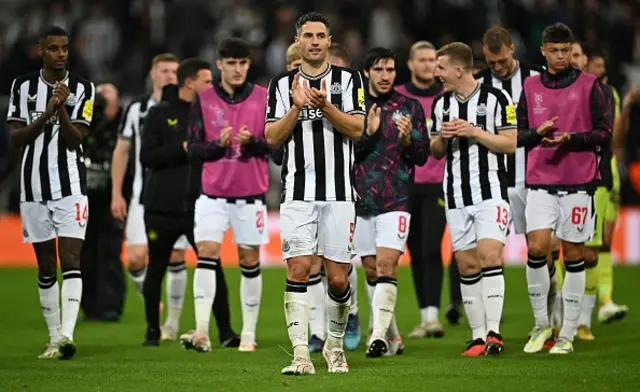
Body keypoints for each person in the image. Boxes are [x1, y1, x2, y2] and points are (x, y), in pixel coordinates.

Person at [265, 12, 365, 375]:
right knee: (298, 268)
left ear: (329, 39)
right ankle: (300, 355)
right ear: (297, 40)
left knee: (338, 278)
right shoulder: (280, 85)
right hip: (298, 192)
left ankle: (335, 348)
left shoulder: (349, 80)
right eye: (308, 35)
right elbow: (272, 138)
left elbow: (357, 129)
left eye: (321, 35)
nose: (315, 41)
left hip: (340, 194)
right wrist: (296, 106)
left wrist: (326, 107)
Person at [517, 23, 613, 355]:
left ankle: (568, 333)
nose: (561, 56)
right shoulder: (530, 86)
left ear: (572, 51)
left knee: (573, 255)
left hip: (578, 182)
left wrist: (575, 139)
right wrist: (535, 134)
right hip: (541, 180)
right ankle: (542, 324)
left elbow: (605, 132)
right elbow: (518, 134)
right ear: (543, 51)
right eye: (554, 51)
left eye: (566, 51)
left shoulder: (590, 86)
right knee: (537, 247)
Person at [6, 26, 95, 359]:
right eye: (54, 48)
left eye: (65, 48)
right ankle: (53, 336)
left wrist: (62, 107)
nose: (61, 54)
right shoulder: (23, 86)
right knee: (46, 265)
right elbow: (16, 139)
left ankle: (67, 337)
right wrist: (47, 110)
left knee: (71, 259)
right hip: (33, 187)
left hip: (71, 186)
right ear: (41, 50)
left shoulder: (84, 89)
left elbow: (76, 140)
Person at [179, 38, 268, 353]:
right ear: (219, 65)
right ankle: (202, 330)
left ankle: (248, 334)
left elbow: (276, 146)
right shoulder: (203, 100)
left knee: (249, 260)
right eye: (231, 63)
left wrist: (253, 142)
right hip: (213, 195)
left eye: (243, 62)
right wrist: (217, 146)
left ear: (249, 64)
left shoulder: (263, 97)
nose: (238, 69)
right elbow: (193, 149)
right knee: (207, 252)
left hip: (250, 195)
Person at [430, 42, 516, 356]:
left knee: (490, 256)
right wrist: (443, 137)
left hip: (490, 192)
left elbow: (510, 143)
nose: (435, 73)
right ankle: (478, 337)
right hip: (455, 195)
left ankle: (494, 333)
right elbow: (434, 151)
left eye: (440, 68)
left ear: (458, 69)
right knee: (466, 265)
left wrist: (474, 131)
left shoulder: (498, 98)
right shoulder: (439, 105)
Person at [475, 26, 560, 341]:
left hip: (533, 178)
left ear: (512, 49)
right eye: (491, 62)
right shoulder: (477, 84)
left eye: (501, 61)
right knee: (484, 256)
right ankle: (485, 330)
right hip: (492, 182)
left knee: (542, 251)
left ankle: (551, 318)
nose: (497, 68)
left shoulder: (537, 78)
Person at [353, 47, 429, 358]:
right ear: (368, 72)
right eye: (380, 70)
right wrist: (369, 134)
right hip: (358, 200)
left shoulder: (409, 107)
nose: (386, 76)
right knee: (371, 270)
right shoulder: (354, 107)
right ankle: (394, 338)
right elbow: (349, 153)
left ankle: (378, 335)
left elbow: (422, 157)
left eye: (390, 70)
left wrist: (410, 140)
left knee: (386, 266)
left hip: (396, 198)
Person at [110, 53, 191, 340]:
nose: (170, 75)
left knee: (177, 256)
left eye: (174, 70)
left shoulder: (187, 108)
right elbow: (122, 151)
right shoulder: (137, 109)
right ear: (152, 73)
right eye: (165, 70)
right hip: (141, 197)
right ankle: (152, 300)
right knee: (135, 260)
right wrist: (116, 193)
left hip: (177, 197)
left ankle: (172, 321)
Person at [139, 58, 213, 345]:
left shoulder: (207, 113)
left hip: (197, 206)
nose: (212, 87)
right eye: (207, 81)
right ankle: (152, 330)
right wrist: (181, 149)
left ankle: (227, 331)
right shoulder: (159, 114)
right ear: (190, 82)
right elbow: (147, 157)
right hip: (161, 206)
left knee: (211, 264)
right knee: (156, 267)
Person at [398, 41, 462, 339]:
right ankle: (425, 316)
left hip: (438, 182)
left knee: (431, 248)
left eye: (431, 60)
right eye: (421, 60)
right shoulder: (397, 97)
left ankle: (433, 316)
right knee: (414, 251)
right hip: (405, 184)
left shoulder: (447, 97)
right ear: (410, 65)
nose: (427, 65)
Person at [569, 42, 628, 340]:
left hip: (597, 178)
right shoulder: (547, 90)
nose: (575, 60)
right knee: (556, 249)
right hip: (558, 181)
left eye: (579, 55)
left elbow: (610, 139)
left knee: (593, 248)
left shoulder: (604, 94)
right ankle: (553, 321)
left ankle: (584, 320)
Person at [80, 83, 126, 321]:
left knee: (110, 250)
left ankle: (111, 304)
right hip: (86, 196)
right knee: (84, 252)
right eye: (100, 92)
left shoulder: (123, 123)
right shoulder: (86, 122)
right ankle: (88, 304)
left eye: (109, 91)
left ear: (118, 99)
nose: (102, 96)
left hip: (112, 196)